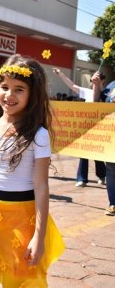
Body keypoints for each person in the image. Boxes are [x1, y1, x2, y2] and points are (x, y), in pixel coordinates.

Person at [0, 55, 65, 287]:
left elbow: (41, 187)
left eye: (19, 89)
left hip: (22, 218)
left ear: (32, 94)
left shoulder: (38, 135)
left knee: (18, 279)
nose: (9, 95)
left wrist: (39, 235)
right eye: (5, 87)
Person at [53, 68, 106, 187]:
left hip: (100, 129)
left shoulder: (106, 95)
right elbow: (72, 85)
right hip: (86, 127)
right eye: (93, 80)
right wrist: (60, 74)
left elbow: (96, 99)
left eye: (97, 80)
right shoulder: (87, 92)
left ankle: (102, 175)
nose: (94, 82)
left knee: (97, 155)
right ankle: (82, 179)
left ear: (103, 81)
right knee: (84, 152)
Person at [92, 71, 115, 216]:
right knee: (112, 171)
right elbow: (96, 104)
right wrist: (96, 86)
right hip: (111, 136)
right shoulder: (112, 85)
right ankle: (113, 203)